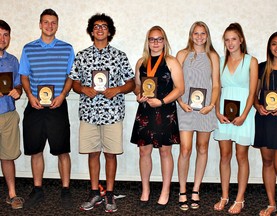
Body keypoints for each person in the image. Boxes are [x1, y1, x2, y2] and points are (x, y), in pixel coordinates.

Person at [69, 13, 135, 213]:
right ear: (91, 31)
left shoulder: (119, 56)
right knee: (93, 153)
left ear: (110, 31)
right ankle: (94, 191)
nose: (99, 29)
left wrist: (117, 89)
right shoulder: (81, 55)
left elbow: (131, 83)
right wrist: (83, 89)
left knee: (111, 154)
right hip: (89, 113)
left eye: (104, 26)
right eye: (96, 26)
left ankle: (110, 193)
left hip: (112, 113)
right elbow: (74, 83)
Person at [18, 9, 75, 209]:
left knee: (62, 151)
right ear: (40, 24)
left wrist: (62, 95)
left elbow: (71, 76)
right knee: (35, 150)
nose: (49, 26)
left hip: (58, 105)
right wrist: (30, 96)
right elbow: (24, 76)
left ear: (57, 25)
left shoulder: (67, 48)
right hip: (35, 106)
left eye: (53, 23)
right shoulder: (28, 49)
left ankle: (66, 190)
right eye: (46, 22)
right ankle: (37, 189)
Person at [130, 25, 184, 210]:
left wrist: (161, 101)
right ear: (148, 42)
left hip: (164, 111)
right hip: (145, 112)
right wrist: (138, 95)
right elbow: (137, 86)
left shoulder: (171, 61)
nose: (155, 42)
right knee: (144, 151)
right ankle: (145, 190)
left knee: (164, 152)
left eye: (159, 39)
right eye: (152, 39)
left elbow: (180, 88)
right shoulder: (141, 63)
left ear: (164, 41)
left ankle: (165, 191)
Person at [213, 23, 258, 214]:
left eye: (233, 39)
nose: (230, 43)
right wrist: (216, 111)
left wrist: (244, 115)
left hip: (244, 116)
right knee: (224, 155)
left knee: (241, 156)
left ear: (241, 40)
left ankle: (240, 199)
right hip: (223, 114)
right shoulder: (220, 60)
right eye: (227, 39)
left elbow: (252, 92)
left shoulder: (251, 61)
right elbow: (216, 88)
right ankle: (224, 196)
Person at [176, 21, 220, 211]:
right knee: (185, 150)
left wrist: (211, 105)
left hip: (205, 110)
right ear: (191, 35)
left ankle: (196, 189)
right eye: (196, 33)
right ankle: (182, 190)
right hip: (185, 107)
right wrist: (180, 102)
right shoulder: (182, 54)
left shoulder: (213, 56)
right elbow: (175, 83)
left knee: (202, 147)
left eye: (203, 33)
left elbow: (216, 84)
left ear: (207, 35)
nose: (199, 37)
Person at [254, 31, 277, 216]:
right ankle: (272, 203)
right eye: (274, 44)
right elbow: (254, 95)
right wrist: (257, 106)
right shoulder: (262, 68)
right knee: (267, 162)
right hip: (265, 119)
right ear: (269, 47)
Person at [0, 20, 24, 210]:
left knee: (8, 156)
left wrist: (18, 90)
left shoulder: (13, 60)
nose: (2, 38)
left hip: (8, 114)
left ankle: (12, 194)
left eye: (6, 34)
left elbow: (17, 84)